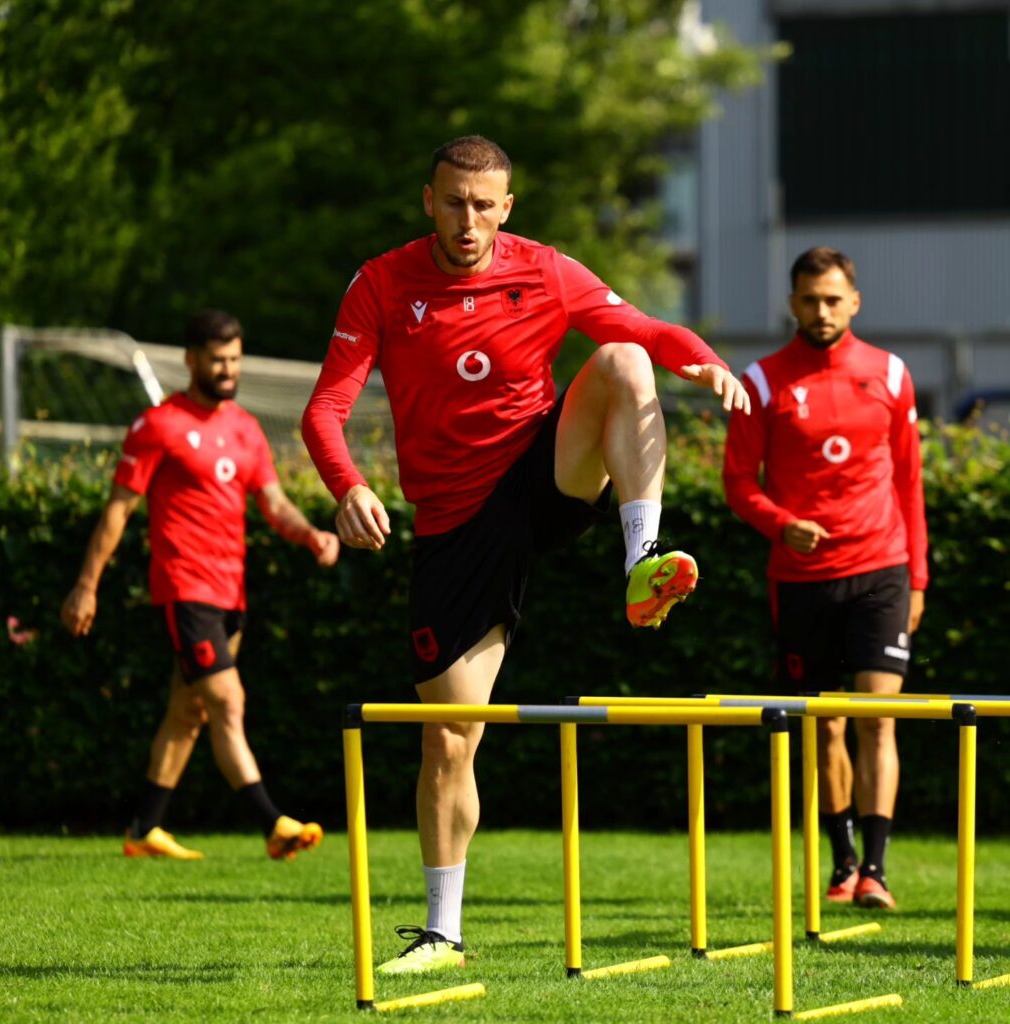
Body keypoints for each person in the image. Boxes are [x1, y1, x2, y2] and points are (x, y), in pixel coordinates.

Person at [302, 135, 750, 972]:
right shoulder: (382, 283)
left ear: (507, 208)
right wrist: (347, 484)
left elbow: (642, 326)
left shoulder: (542, 269)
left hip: (541, 478)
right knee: (450, 741)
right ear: (427, 201)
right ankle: (443, 934)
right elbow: (326, 407)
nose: (468, 222)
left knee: (621, 360)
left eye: (485, 206)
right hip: (453, 527)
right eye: (454, 203)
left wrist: (706, 360)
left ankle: (641, 560)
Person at [61, 309, 340, 861]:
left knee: (187, 713)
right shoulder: (157, 425)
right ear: (191, 360)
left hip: (230, 594)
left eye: (235, 360)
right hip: (184, 589)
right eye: (217, 360)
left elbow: (274, 502)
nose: (228, 370)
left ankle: (144, 830)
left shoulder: (246, 429)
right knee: (227, 703)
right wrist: (85, 586)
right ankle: (273, 824)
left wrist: (311, 536)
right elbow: (118, 512)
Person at [723, 247, 928, 911]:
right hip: (802, 577)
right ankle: (841, 865)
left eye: (834, 299)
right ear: (793, 304)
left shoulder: (891, 374)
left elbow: (909, 482)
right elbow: (736, 483)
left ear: (855, 302)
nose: (822, 311)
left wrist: (917, 577)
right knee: (828, 725)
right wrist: (782, 525)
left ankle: (877, 870)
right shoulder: (762, 381)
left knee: (878, 719)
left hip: (882, 569)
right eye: (810, 300)